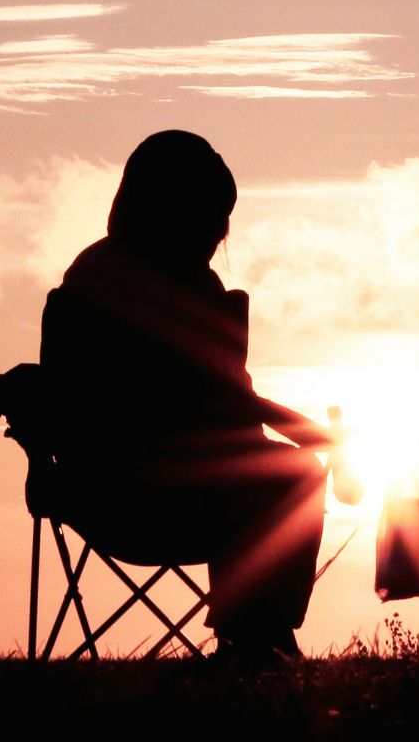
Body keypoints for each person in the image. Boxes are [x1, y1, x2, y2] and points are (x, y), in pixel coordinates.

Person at [35, 130, 329, 661]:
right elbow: (229, 407)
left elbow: (231, 408)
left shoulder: (90, 277)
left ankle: (255, 631)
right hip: (160, 497)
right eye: (213, 215)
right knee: (297, 476)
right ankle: (256, 634)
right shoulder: (168, 291)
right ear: (177, 211)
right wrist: (320, 439)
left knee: (277, 474)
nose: (220, 233)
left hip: (91, 492)